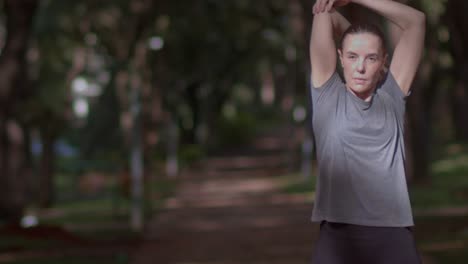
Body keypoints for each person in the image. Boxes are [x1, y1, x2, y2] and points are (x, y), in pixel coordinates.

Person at [309, 0, 425, 263]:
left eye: (371, 58)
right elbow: (324, 11)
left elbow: (416, 21)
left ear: (383, 61)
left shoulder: (392, 96)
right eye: (351, 57)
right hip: (337, 237)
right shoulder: (327, 95)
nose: (360, 68)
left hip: (393, 235)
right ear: (339, 57)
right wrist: (355, 33)